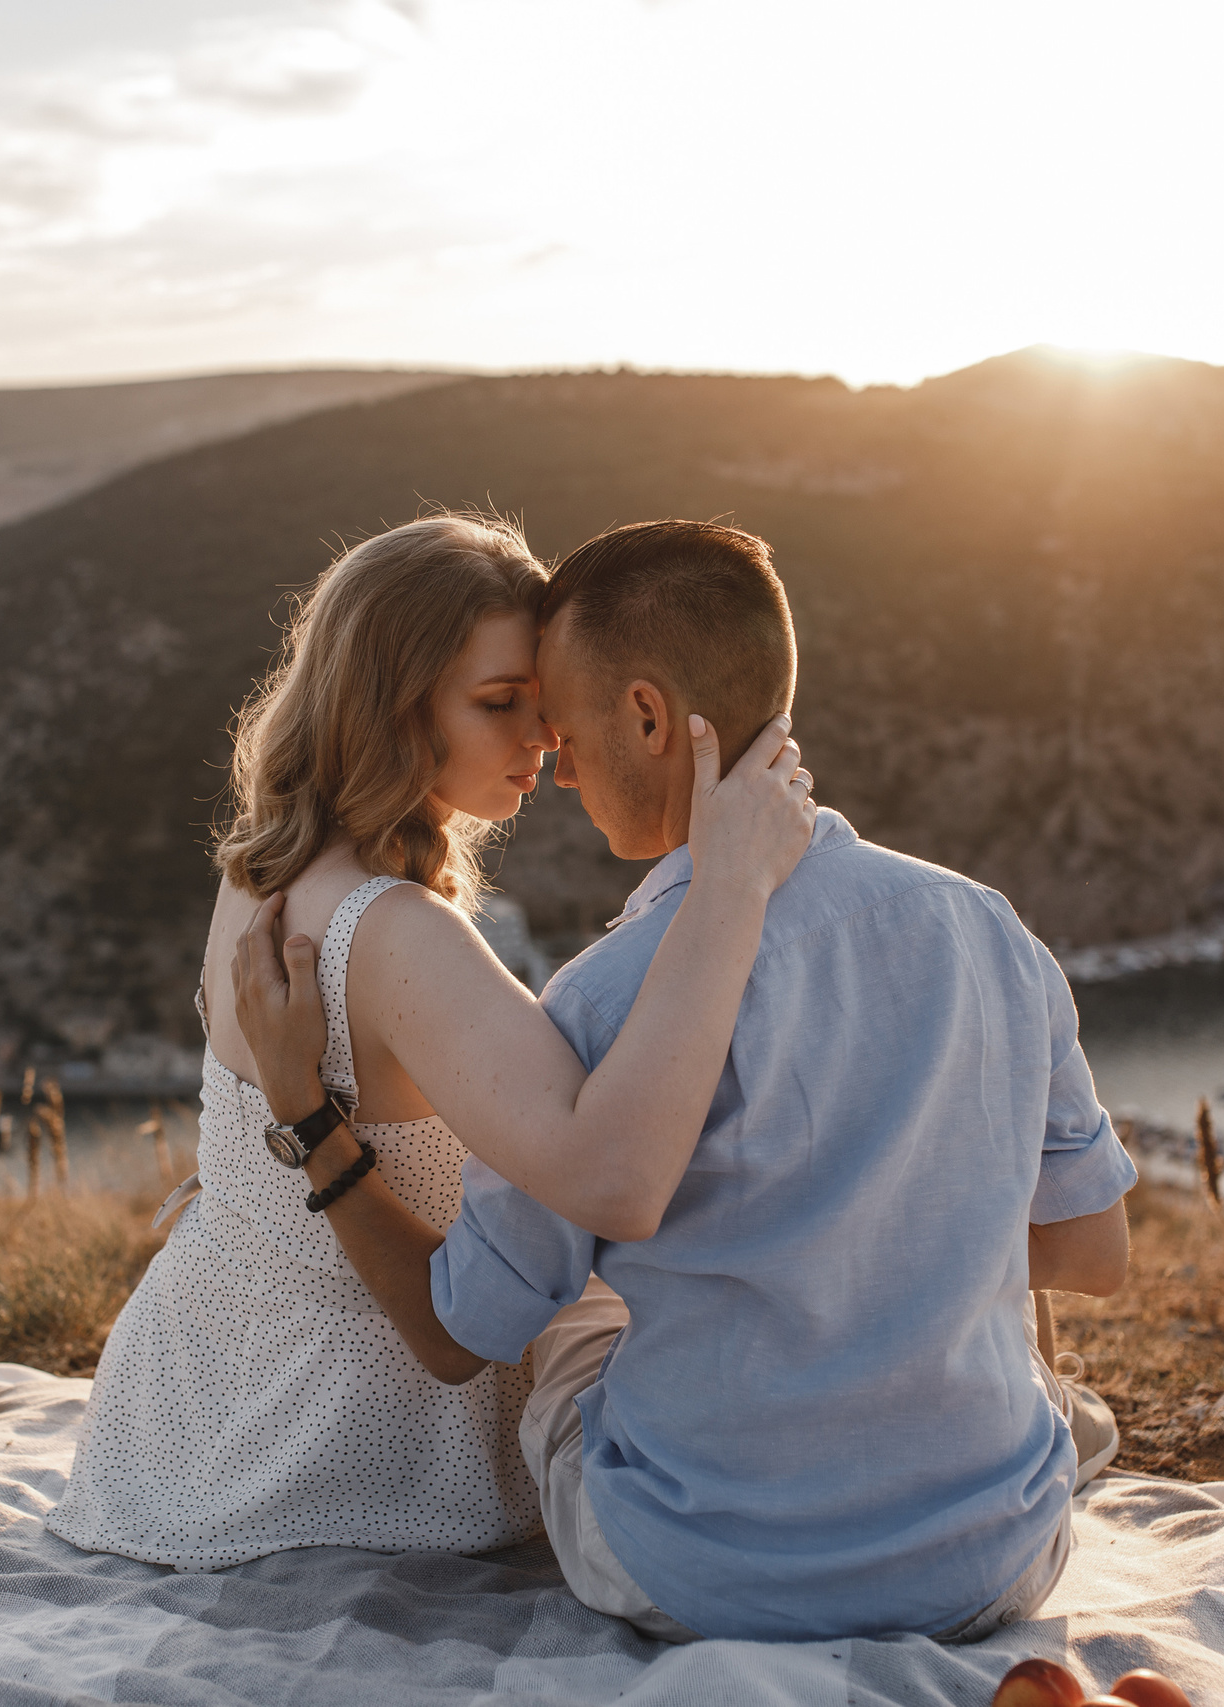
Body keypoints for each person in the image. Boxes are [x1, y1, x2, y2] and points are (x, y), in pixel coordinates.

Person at [235, 519, 1135, 1643]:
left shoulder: (603, 1006)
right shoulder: (990, 932)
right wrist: (881, 1241)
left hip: (701, 1574)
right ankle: (989, 1436)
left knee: (579, 1315)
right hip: (994, 1566)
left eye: (562, 727)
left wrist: (312, 1126)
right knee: (967, 1279)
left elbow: (459, 1329)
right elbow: (1093, 1254)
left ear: (649, 717)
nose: (552, 762)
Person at [47, 512, 815, 1569]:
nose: (543, 741)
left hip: (189, 1410)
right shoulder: (395, 932)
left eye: (540, 706)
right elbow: (611, 1176)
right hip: (351, 1441)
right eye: (498, 705)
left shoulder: (261, 868)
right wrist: (730, 889)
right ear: (390, 706)